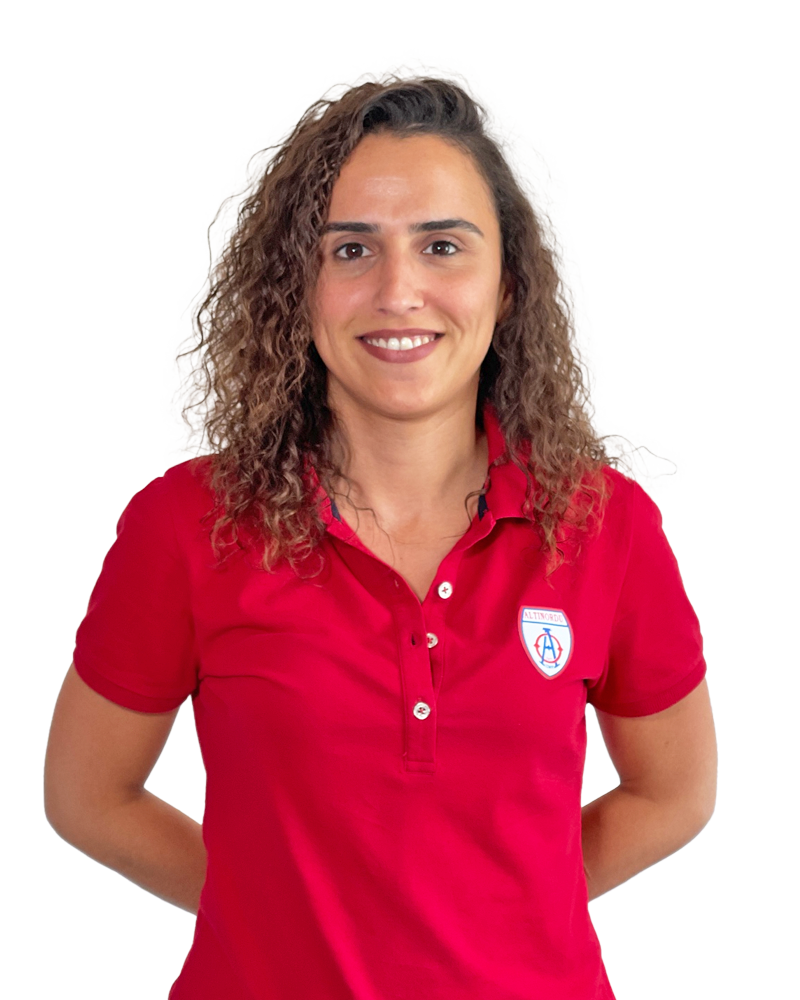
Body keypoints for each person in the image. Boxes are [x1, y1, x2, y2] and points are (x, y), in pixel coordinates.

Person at [43, 69, 718, 1000]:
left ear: (508, 285)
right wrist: (271, 910)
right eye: (352, 249)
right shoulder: (188, 524)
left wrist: (508, 908)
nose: (399, 290)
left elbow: (675, 792)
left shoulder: (606, 524)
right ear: (297, 286)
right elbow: (88, 796)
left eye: (442, 246)